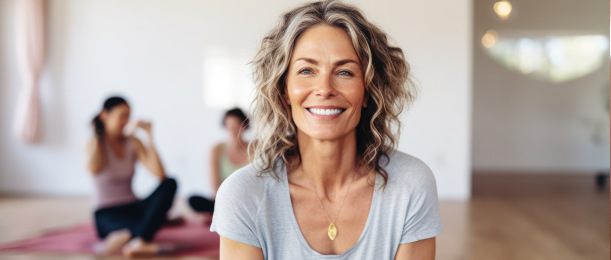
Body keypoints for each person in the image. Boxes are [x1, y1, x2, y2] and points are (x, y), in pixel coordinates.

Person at [209, 1, 442, 259]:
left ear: (367, 91)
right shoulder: (242, 194)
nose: (324, 88)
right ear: (284, 89)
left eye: (344, 72)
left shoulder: (410, 185)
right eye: (306, 70)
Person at [86, 96, 177, 257]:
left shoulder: (133, 142)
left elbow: (160, 174)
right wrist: (99, 133)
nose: (126, 121)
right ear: (104, 116)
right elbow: (93, 168)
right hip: (107, 213)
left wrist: (149, 136)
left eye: (128, 116)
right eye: (121, 116)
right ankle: (138, 238)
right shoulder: (95, 143)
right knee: (139, 225)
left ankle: (136, 240)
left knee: (170, 183)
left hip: (133, 206)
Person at [188, 108, 251, 218]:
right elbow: (214, 187)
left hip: (247, 200)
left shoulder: (254, 149)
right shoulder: (216, 150)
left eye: (236, 127)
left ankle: (219, 215)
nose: (232, 131)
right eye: (229, 127)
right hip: (224, 200)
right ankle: (223, 214)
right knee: (193, 199)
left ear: (244, 126)